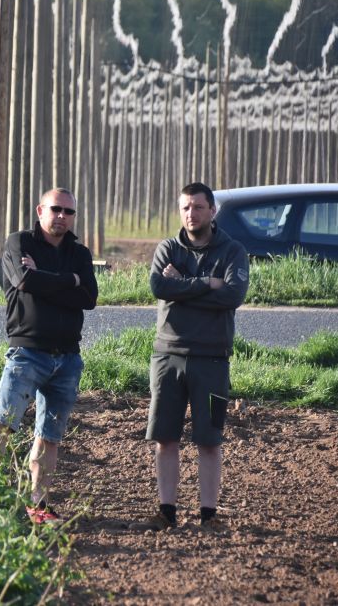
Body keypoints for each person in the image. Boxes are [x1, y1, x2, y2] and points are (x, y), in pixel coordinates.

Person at [0, 188, 98, 524]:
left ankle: (39, 506)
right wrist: (70, 281)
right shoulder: (19, 243)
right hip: (27, 352)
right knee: (2, 426)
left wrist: (48, 279)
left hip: (67, 358)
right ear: (40, 210)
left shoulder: (79, 253)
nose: (62, 216)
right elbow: (24, 280)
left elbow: (89, 298)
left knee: (49, 438)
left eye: (69, 212)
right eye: (56, 209)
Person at [138, 182, 249, 531]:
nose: (191, 214)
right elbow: (159, 287)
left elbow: (232, 296)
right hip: (167, 357)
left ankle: (209, 515)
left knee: (210, 440)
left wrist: (183, 284)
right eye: (185, 207)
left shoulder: (232, 251)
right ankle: (166, 511)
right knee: (165, 438)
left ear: (212, 211)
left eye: (198, 207)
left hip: (213, 361)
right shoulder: (167, 248)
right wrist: (206, 283)